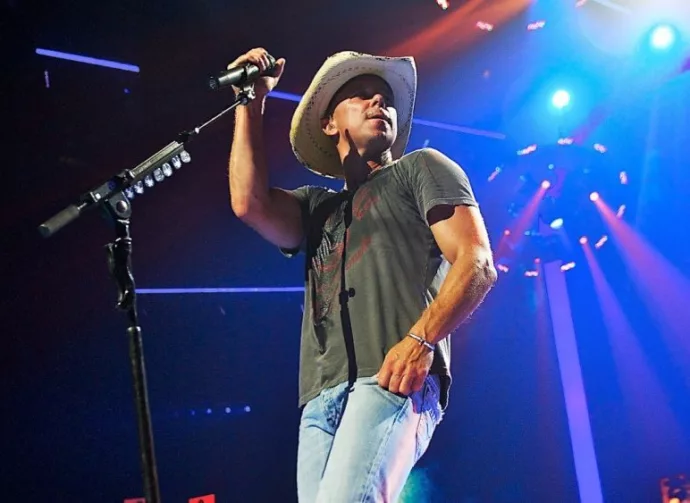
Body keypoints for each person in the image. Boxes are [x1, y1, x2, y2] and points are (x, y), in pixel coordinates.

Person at [228, 48, 497, 502]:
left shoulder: (421, 169)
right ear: (330, 123)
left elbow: (477, 263)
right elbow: (248, 203)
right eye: (361, 96)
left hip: (391, 377)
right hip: (319, 399)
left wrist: (421, 341)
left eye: (385, 98)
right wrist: (250, 103)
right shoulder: (318, 208)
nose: (379, 103)